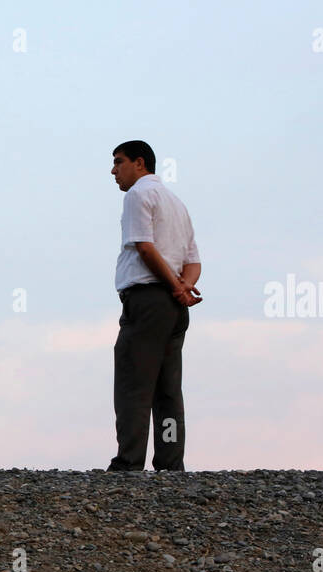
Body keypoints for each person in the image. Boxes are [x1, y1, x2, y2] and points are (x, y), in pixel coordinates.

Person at [107, 140, 201, 472]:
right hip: (175, 308)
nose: (113, 170)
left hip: (148, 300)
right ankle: (170, 463)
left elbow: (145, 248)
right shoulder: (176, 203)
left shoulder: (138, 195)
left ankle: (129, 462)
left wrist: (175, 287)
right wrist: (184, 288)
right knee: (167, 390)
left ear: (140, 163)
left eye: (119, 162)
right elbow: (193, 260)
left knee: (134, 382)